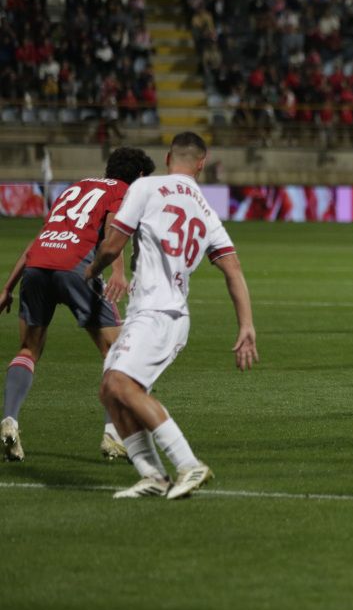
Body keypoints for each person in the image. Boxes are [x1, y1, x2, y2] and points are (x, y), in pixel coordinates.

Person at [85, 132, 258, 499]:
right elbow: (233, 269)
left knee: (119, 385)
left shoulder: (146, 187)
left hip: (158, 312)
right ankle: (153, 476)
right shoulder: (206, 209)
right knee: (110, 390)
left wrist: (91, 270)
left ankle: (188, 464)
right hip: (165, 314)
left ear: (167, 158)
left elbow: (112, 245)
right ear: (202, 163)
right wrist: (246, 324)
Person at [0, 146, 156, 462]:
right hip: (76, 268)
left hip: (37, 265)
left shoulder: (76, 187)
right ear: (139, 176)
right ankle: (113, 436)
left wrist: (7, 287)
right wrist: (117, 272)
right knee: (118, 352)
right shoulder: (122, 191)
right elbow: (114, 230)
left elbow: (40, 238)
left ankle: (9, 419)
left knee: (28, 350)